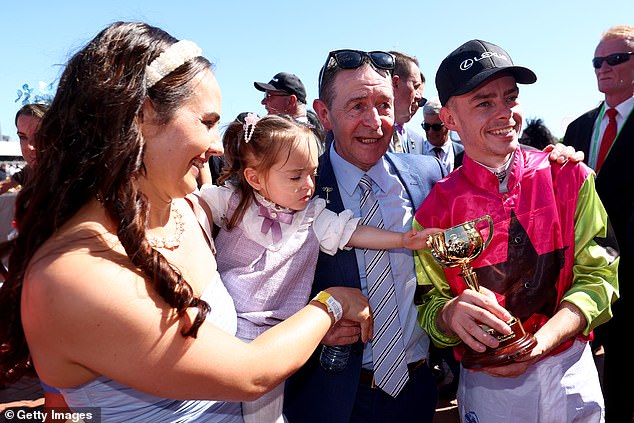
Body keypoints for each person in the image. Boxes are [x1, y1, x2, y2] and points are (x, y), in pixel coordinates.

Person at [0, 21, 373, 422]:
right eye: (207, 122)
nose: (216, 146)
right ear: (140, 116)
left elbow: (235, 332)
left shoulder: (187, 213)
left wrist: (306, 336)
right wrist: (332, 304)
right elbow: (249, 373)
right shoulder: (73, 274)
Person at [413, 39, 619, 422]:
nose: (505, 113)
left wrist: (541, 343)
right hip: (488, 389)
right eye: (484, 102)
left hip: (569, 374)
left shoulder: (570, 176)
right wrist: (449, 316)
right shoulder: (433, 212)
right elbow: (430, 304)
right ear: (449, 119)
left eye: (511, 98)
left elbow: (601, 276)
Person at [199, 113, 435, 423]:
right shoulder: (229, 202)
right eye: (296, 177)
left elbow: (354, 233)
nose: (309, 185)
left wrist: (403, 239)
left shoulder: (314, 215)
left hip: (280, 337)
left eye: (312, 173)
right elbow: (190, 206)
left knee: (263, 411)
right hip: (226, 326)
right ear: (255, 178)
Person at [282, 48, 446, 423]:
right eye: (356, 106)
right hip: (331, 400)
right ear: (323, 113)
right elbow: (253, 293)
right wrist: (314, 325)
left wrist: (556, 162)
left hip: (417, 390)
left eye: (384, 105)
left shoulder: (429, 174)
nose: (375, 122)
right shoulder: (293, 188)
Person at [563, 24, 634, 422]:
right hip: (585, 275)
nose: (603, 68)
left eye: (616, 59)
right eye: (597, 62)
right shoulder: (579, 128)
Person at [0, 103, 47, 195]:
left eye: (39, 136)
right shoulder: (28, 172)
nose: (30, 147)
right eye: (22, 137)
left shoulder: (73, 178)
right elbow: (5, 185)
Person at [388, 51, 426, 154]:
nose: (418, 97)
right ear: (395, 83)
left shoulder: (418, 141)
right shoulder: (369, 133)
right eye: (415, 86)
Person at [422, 96, 465, 173]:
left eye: (436, 127)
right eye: (427, 126)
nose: (431, 131)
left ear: (449, 123)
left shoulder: (464, 154)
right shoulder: (416, 151)